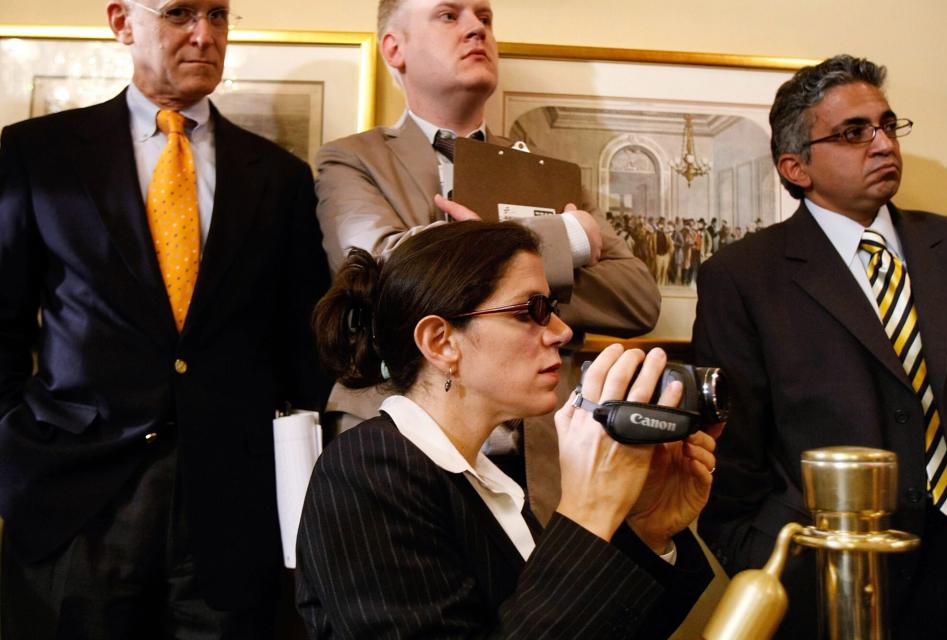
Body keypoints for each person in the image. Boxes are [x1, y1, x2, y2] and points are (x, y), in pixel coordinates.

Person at [0, 1, 330, 637]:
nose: (205, 35)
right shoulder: (38, 153)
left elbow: (303, 351)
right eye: (180, 13)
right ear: (123, 21)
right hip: (73, 501)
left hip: (234, 512)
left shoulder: (281, 177)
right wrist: (14, 450)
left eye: (218, 15)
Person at [314, 0, 660, 522]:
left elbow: (637, 295)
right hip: (402, 441)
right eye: (449, 15)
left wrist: (482, 273)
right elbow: (390, 273)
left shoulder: (544, 168)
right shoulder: (352, 160)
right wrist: (569, 239)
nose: (477, 27)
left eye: (484, 17)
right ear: (395, 48)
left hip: (543, 455)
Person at [297, 220, 717, 638]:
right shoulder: (367, 470)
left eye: (551, 310)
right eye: (531, 311)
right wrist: (588, 510)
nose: (562, 331)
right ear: (441, 342)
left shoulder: (487, 481)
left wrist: (646, 529)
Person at [693, 54, 947, 638]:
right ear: (797, 167)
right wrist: (772, 566)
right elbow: (730, 460)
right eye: (854, 133)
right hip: (827, 576)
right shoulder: (742, 276)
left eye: (888, 125)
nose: (884, 144)